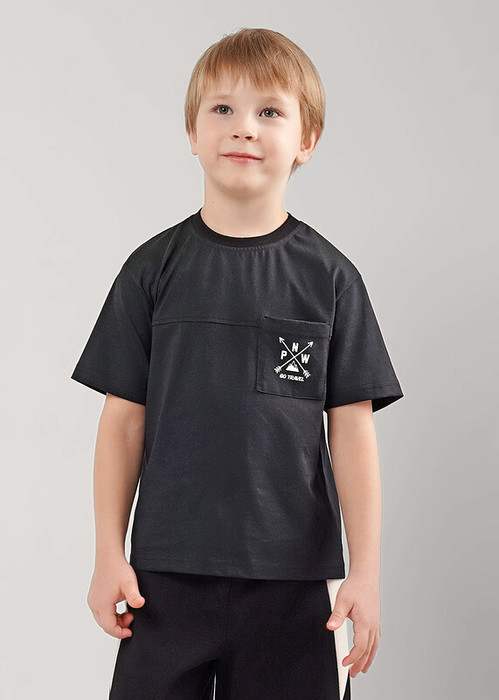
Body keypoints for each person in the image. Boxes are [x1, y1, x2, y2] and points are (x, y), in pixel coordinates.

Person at [71, 27, 404, 700]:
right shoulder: (150, 271)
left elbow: (351, 432)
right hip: (164, 577)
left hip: (294, 584)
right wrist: (108, 553)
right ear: (192, 133)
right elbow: (123, 422)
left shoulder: (331, 280)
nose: (243, 127)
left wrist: (365, 573)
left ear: (306, 140)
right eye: (222, 108)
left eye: (269, 111)